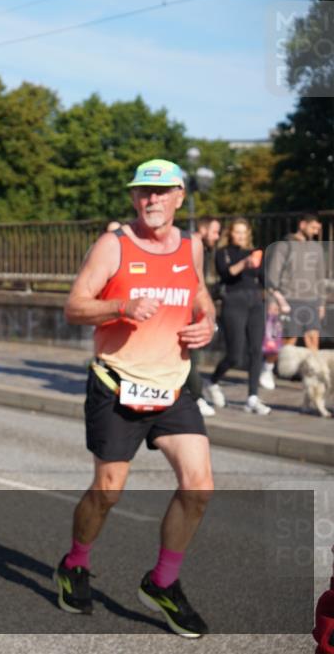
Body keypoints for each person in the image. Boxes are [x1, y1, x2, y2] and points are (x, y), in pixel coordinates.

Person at [57, 159, 216, 638]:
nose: (153, 200)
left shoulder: (193, 245)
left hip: (172, 385)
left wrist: (207, 320)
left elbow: (200, 292)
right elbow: (74, 306)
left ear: (179, 197)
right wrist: (120, 306)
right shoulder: (114, 245)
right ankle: (74, 564)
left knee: (199, 486)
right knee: (107, 492)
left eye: (163, 192)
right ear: (133, 199)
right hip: (117, 385)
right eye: (145, 193)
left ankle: (162, 582)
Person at [203, 219, 269, 415]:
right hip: (233, 301)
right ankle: (213, 381)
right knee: (235, 354)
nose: (240, 236)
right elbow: (226, 274)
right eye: (237, 232)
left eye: (244, 232)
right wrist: (243, 263)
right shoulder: (224, 253)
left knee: (256, 350)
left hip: (255, 302)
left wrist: (278, 297)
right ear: (230, 233)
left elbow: (263, 279)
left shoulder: (255, 252)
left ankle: (252, 397)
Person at [265, 213, 326, 353]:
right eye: (313, 228)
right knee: (289, 341)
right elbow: (273, 276)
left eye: (318, 229)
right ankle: (281, 372)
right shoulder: (283, 246)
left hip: (311, 301)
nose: (316, 232)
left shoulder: (317, 248)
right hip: (289, 301)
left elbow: (320, 277)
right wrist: (273, 301)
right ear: (302, 225)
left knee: (313, 339)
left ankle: (313, 373)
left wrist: (321, 303)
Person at [185, 217, 222, 416]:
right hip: (185, 308)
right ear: (202, 228)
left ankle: (192, 396)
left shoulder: (202, 250)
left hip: (194, 308)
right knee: (188, 356)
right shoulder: (190, 245)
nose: (217, 237)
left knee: (191, 356)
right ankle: (197, 397)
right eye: (215, 232)